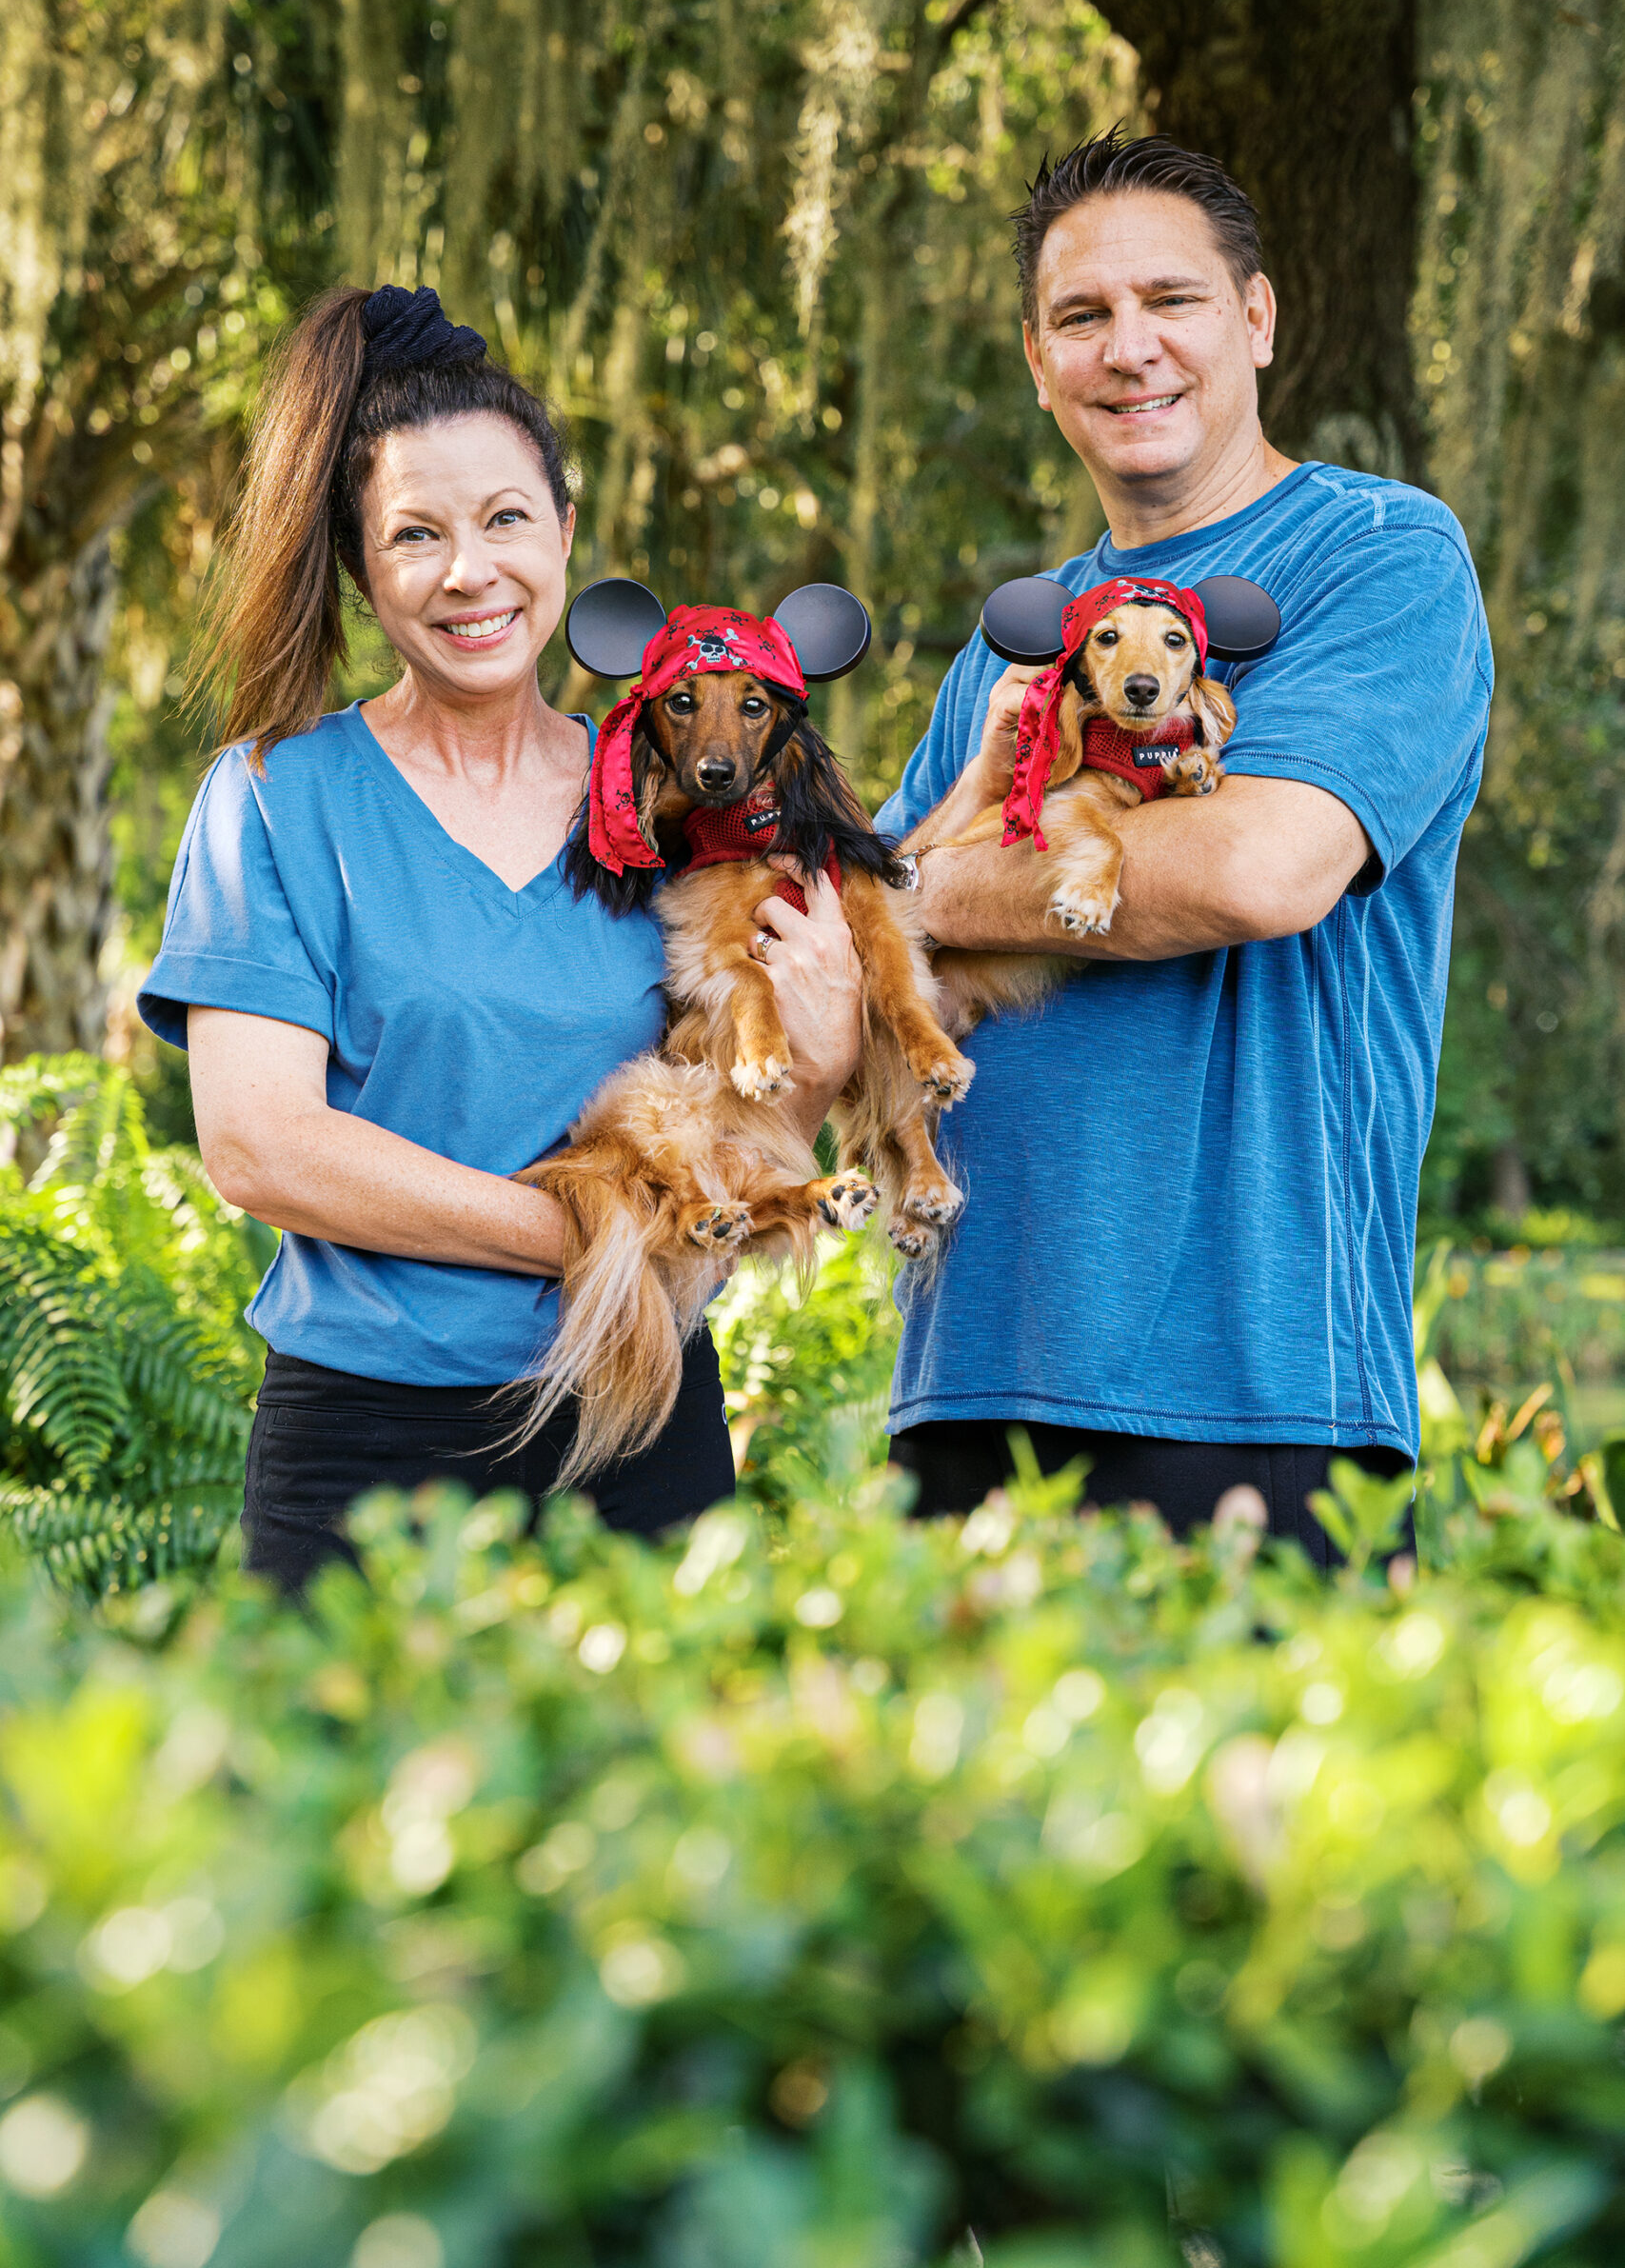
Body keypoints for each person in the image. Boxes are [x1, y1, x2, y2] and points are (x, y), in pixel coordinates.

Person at [139, 284, 862, 1593]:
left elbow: (754, 1121)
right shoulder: (276, 798)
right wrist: (606, 1242)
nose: (470, 572)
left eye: (506, 520)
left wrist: (820, 1052)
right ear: (361, 569)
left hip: (643, 1420)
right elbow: (261, 1147)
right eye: (416, 535)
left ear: (567, 533)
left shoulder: (669, 806)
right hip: (368, 1443)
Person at [880, 129, 1493, 1562]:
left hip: (1259, 1388)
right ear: (1038, 361)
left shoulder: (1378, 556)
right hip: (972, 1371)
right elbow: (858, 965)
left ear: (1258, 319)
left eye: (1174, 302)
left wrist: (922, 890)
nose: (1128, 349)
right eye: (1082, 318)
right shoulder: (1015, 643)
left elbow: (1254, 871)